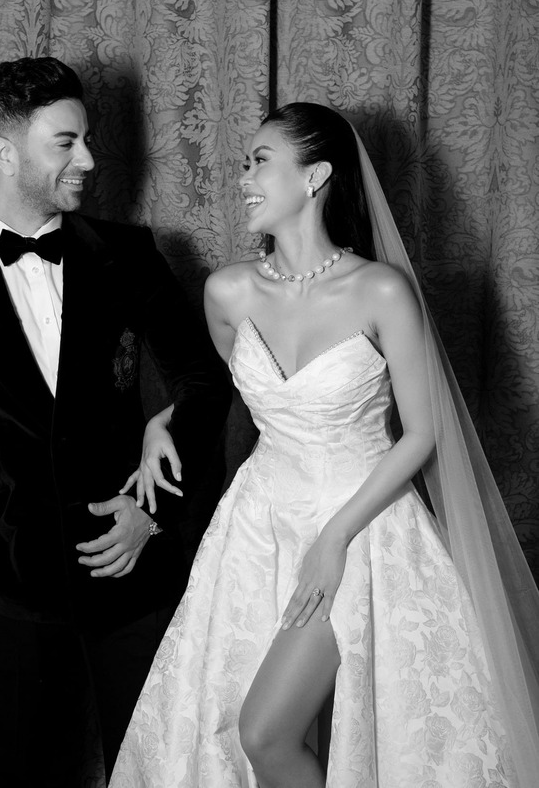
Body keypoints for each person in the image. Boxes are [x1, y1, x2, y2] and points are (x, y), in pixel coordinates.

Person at [108, 103, 539, 788]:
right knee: (224, 731)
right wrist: (163, 420)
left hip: (363, 525)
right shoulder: (228, 291)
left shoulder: (381, 290)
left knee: (265, 732)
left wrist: (334, 538)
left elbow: (422, 433)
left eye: (260, 161)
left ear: (315, 177)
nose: (243, 177)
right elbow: (234, 393)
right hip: (257, 526)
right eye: (245, 163)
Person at [0, 56, 231, 787]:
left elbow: (204, 382)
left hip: (132, 570)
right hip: (3, 586)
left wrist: (152, 515)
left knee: (159, 771)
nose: (90, 159)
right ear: (4, 152)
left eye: (88, 139)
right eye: (66, 142)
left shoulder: (131, 256)